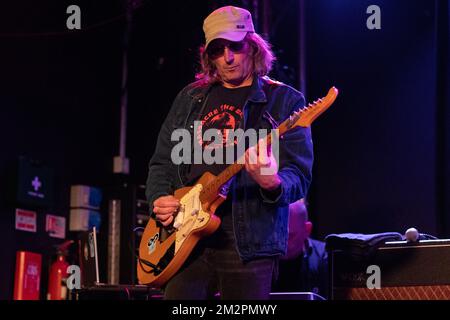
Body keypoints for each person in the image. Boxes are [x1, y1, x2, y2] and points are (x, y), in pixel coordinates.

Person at [145, 6, 313, 300]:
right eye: (217, 50)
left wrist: (271, 182)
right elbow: (162, 161)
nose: (228, 57)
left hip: (247, 242)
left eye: (235, 46)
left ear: (253, 45)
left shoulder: (284, 100)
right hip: (186, 238)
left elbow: (298, 175)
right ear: (207, 55)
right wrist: (158, 196)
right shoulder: (190, 98)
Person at [272, 199, 328, 299]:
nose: (281, 244)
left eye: (289, 236)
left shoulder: (326, 259)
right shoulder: (258, 262)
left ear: (307, 230)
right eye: (276, 235)